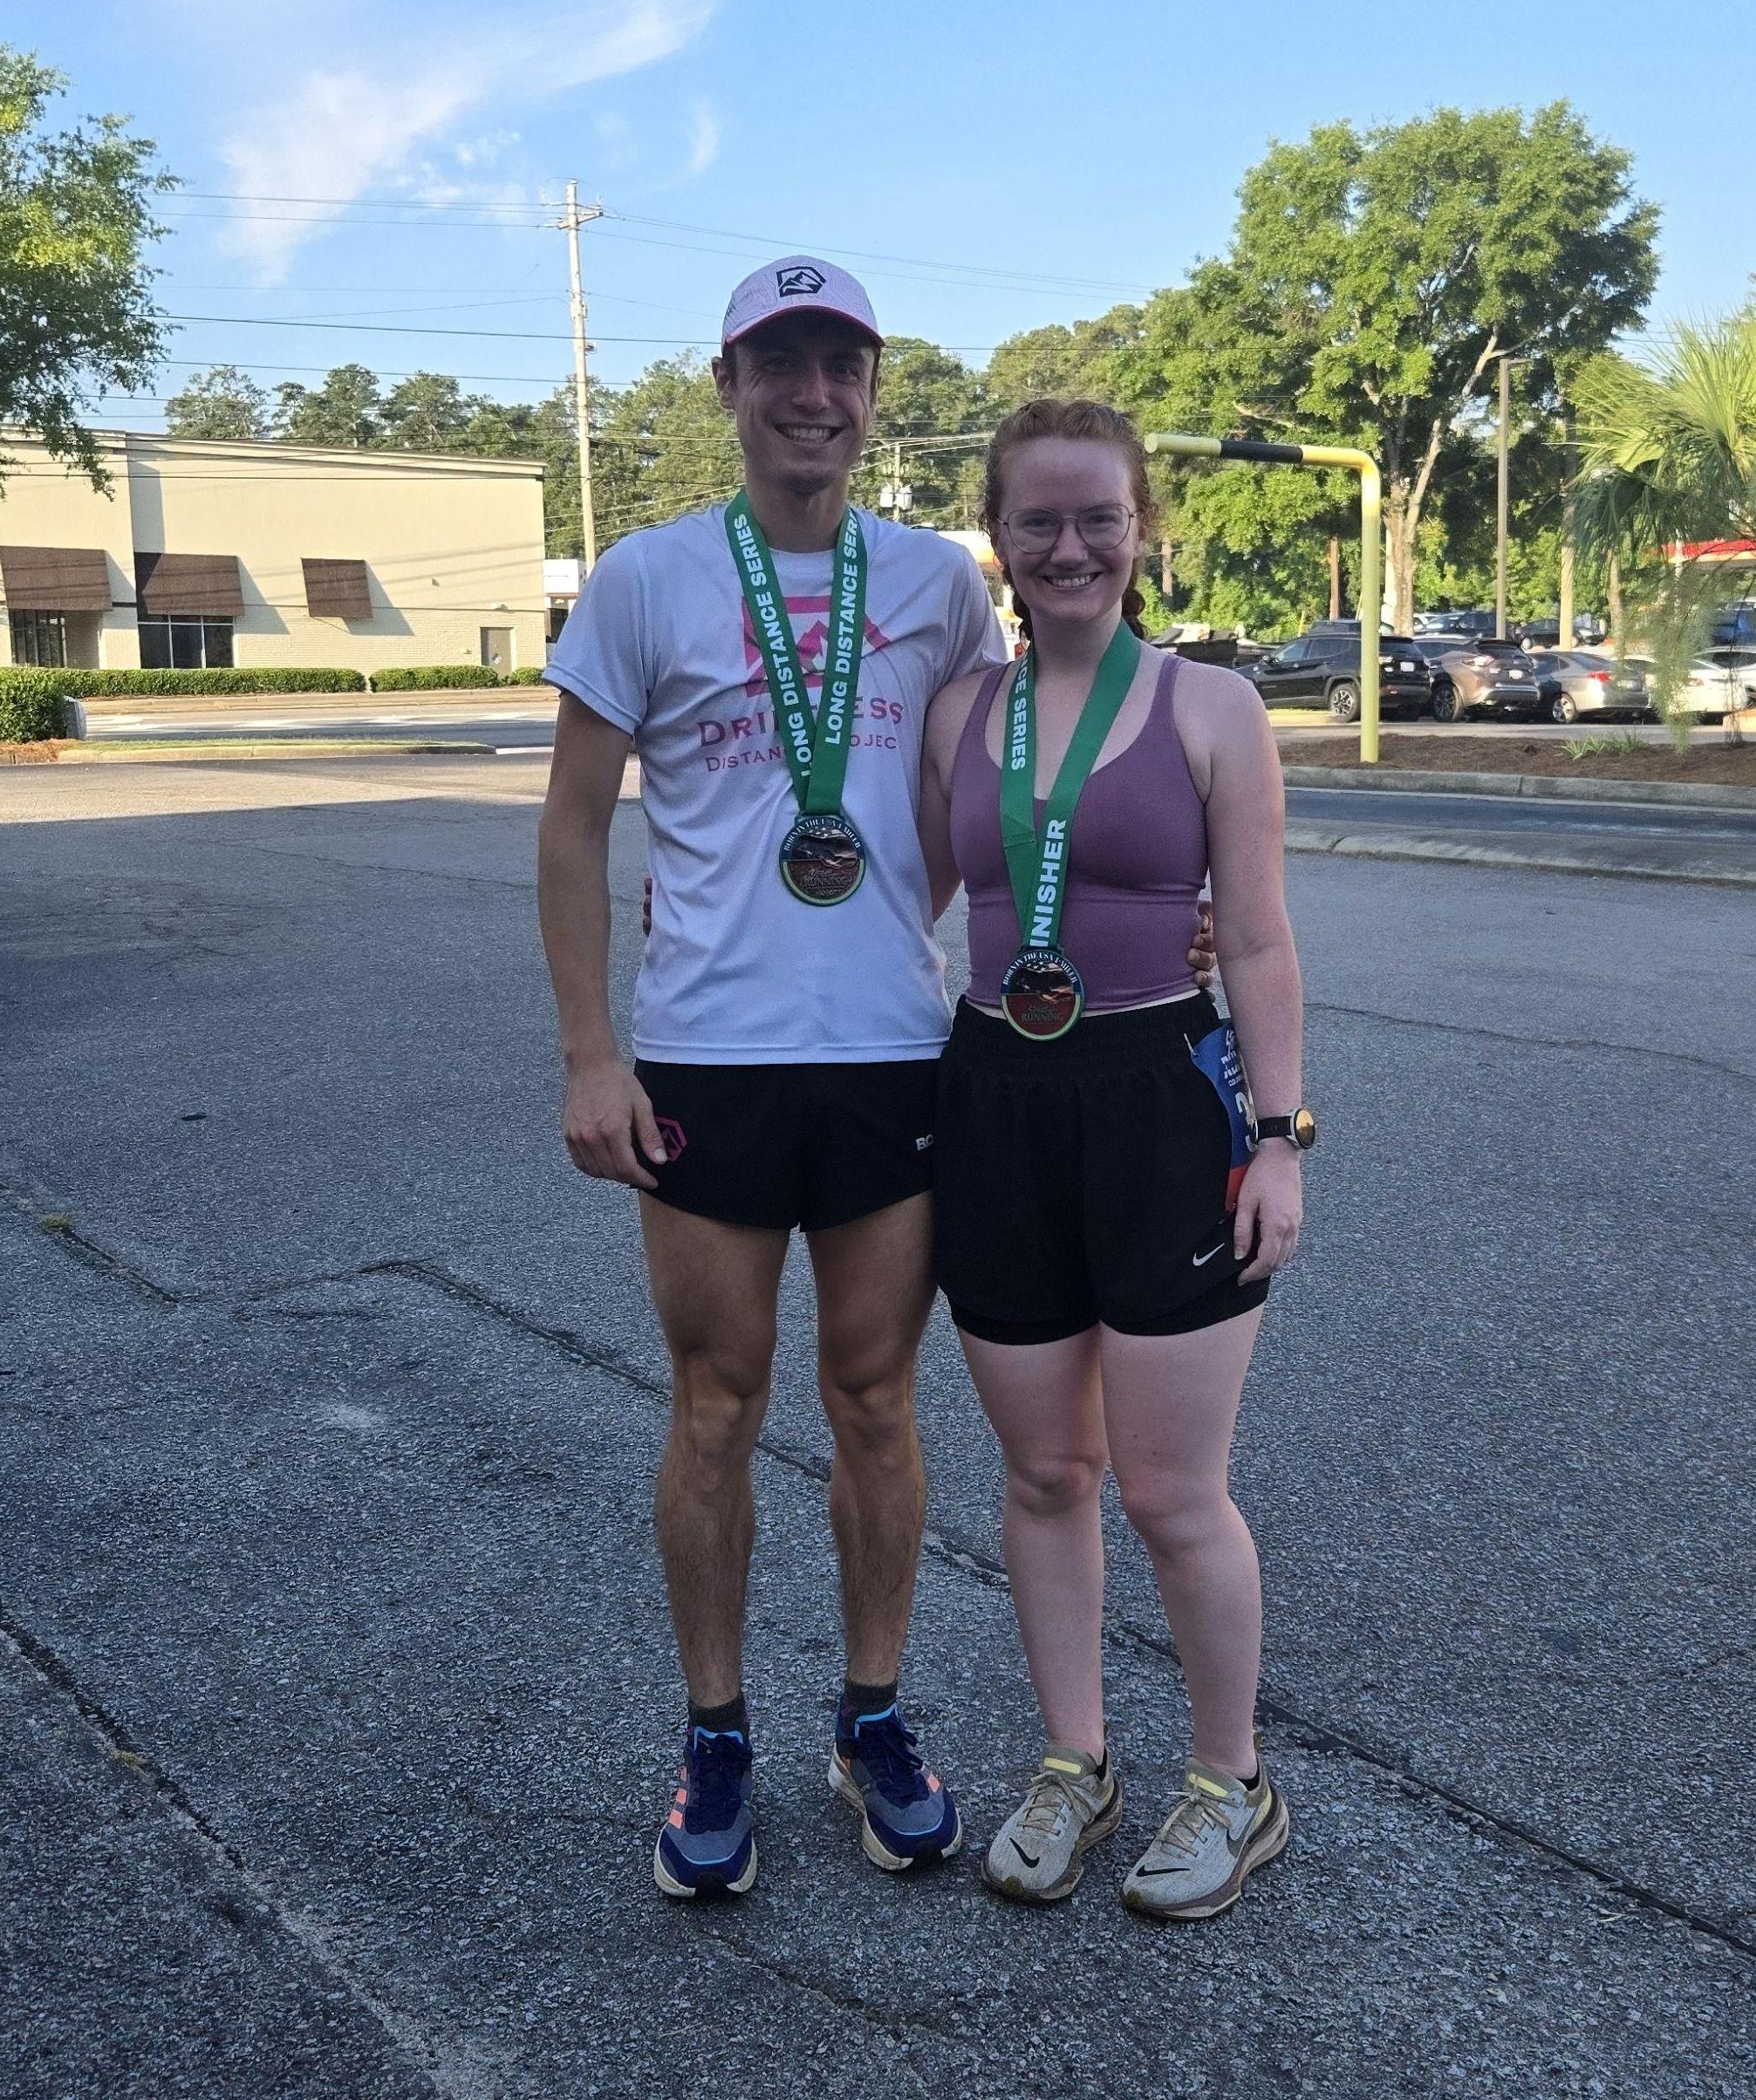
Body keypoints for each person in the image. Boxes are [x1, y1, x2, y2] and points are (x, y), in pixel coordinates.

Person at [536, 257, 1000, 1897]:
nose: (813, 394)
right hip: (705, 1063)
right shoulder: (646, 578)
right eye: (779, 363)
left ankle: (871, 1717)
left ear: (872, 392)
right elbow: (573, 828)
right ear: (727, 384)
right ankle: (715, 1734)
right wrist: (592, 1055)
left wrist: (1178, 913)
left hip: (890, 1055)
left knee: (874, 1400)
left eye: (840, 365)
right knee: (716, 1405)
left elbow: (985, 798)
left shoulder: (937, 583)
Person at [918, 399, 1313, 1921]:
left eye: (1098, 517)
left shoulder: (1211, 707)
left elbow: (1258, 939)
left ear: (1141, 530)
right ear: (998, 539)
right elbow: (887, 890)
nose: (1068, 546)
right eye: (1038, 521)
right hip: (995, 1104)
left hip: (1159, 1100)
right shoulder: (961, 712)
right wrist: (697, 903)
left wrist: (1277, 1139)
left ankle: (1230, 1783)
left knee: (1168, 1490)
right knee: (1042, 1472)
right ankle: (1072, 1764)